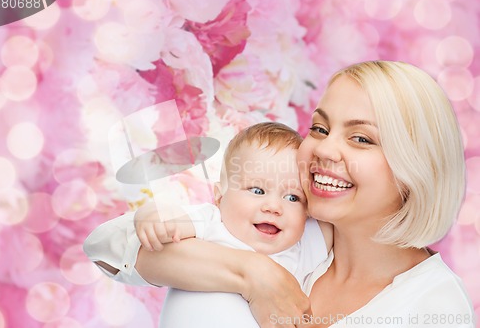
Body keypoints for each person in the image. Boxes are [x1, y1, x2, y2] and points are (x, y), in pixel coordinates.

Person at [85, 61, 475, 328]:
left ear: (416, 167)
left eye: (361, 138)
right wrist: (254, 274)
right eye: (320, 129)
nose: (323, 150)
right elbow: (108, 249)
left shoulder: (435, 307)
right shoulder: (290, 229)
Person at [84, 122, 333, 328]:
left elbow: (349, 221)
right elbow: (105, 243)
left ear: (308, 212)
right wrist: (151, 215)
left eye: (293, 198)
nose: (273, 206)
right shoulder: (210, 222)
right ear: (220, 196)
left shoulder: (299, 248)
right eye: (257, 190)